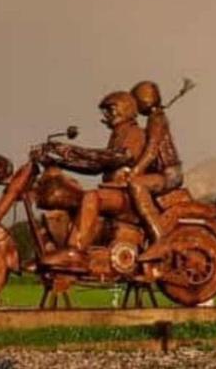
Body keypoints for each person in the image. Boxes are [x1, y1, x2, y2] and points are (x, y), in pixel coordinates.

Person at [39, 90, 144, 269]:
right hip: (115, 194)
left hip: (128, 196)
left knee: (91, 197)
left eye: (111, 109)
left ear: (126, 108)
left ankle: (75, 251)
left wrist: (73, 151)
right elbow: (95, 166)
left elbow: (119, 157)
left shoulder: (135, 132)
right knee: (73, 199)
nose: (107, 115)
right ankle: (52, 249)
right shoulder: (118, 135)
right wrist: (60, 161)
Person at [126, 80, 184, 242]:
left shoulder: (156, 119)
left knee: (137, 185)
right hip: (166, 172)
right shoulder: (156, 118)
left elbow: (151, 151)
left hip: (169, 174)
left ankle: (158, 238)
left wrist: (135, 171)